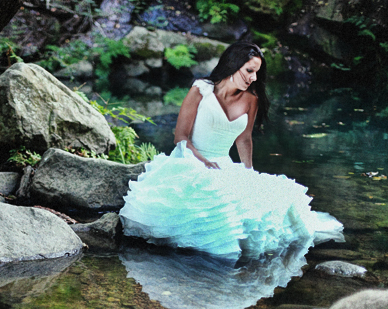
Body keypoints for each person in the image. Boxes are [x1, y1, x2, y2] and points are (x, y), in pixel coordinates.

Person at [119, 41, 344, 260]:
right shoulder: (201, 90)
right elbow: (181, 137)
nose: (253, 78)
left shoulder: (250, 99)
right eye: (249, 70)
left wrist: (249, 172)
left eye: (256, 72)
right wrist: (202, 161)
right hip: (190, 160)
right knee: (212, 206)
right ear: (233, 64)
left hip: (223, 164)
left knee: (267, 203)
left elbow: (244, 139)